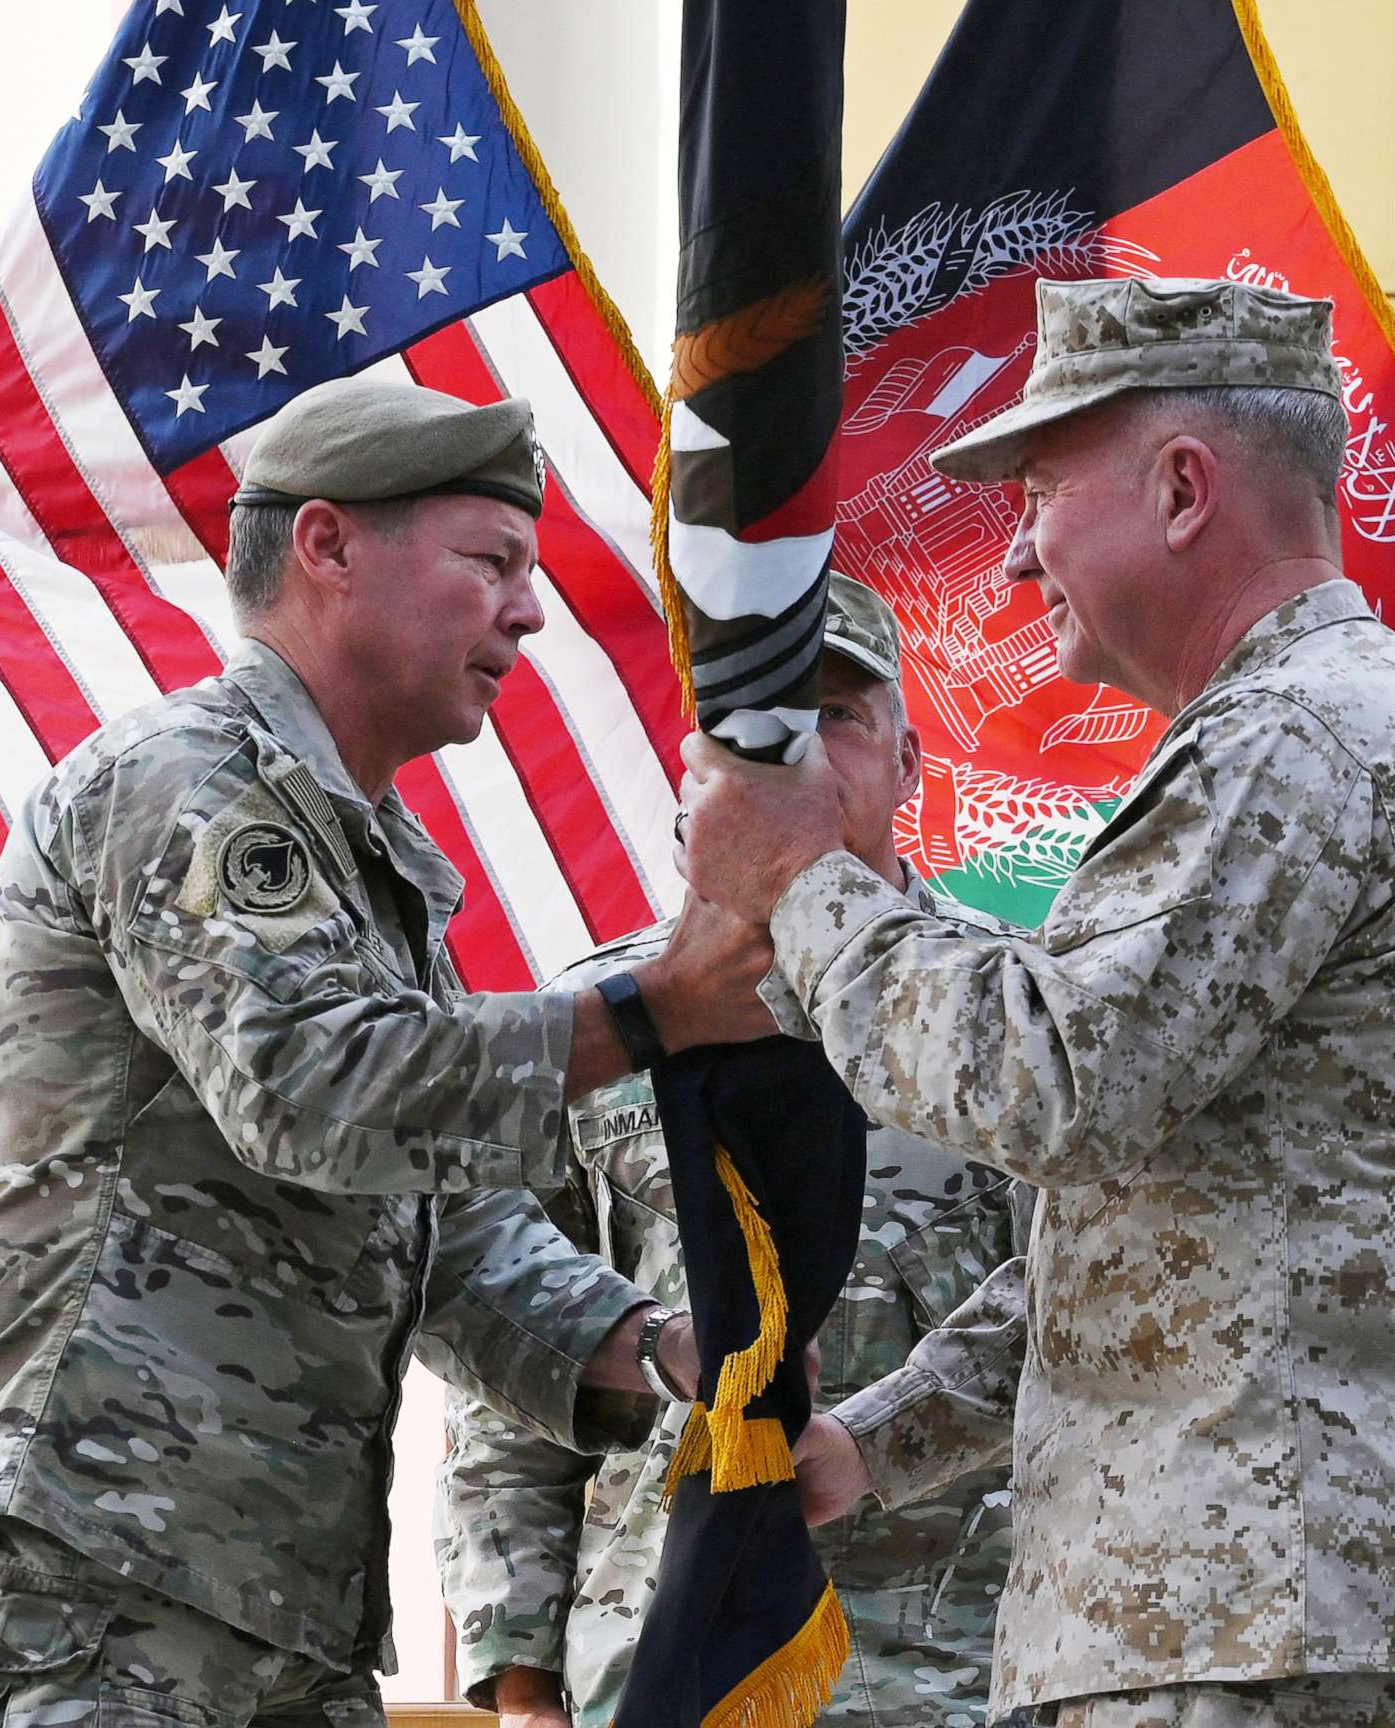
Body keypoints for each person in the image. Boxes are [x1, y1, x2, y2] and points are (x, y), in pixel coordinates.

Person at [676, 277, 1395, 1727]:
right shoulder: (1315, 724)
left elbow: (1044, 1082)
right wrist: (878, 1439)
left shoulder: (1293, 736)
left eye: (1041, 491)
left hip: (1286, 1615)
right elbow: (1169, 1222)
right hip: (1307, 1603)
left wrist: (801, 880)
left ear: (1184, 488)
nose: (1013, 562)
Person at [0, 377, 773, 1728]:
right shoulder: (189, 781)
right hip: (86, 1602)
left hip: (273, 1622)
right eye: (491, 563)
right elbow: (311, 1087)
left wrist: (655, 1344)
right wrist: (642, 1014)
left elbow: (431, 1225)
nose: (526, 609)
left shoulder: (366, 861)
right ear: (328, 547)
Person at [436, 579, 1029, 1728]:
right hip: (658, 1666)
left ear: (909, 767)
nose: (795, 761)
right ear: (694, 777)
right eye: (756, 732)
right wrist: (521, 1691)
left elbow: (1081, 1329)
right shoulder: (589, 1034)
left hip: (961, 1671)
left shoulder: (1019, 1020)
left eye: (837, 720)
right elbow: (509, 1392)